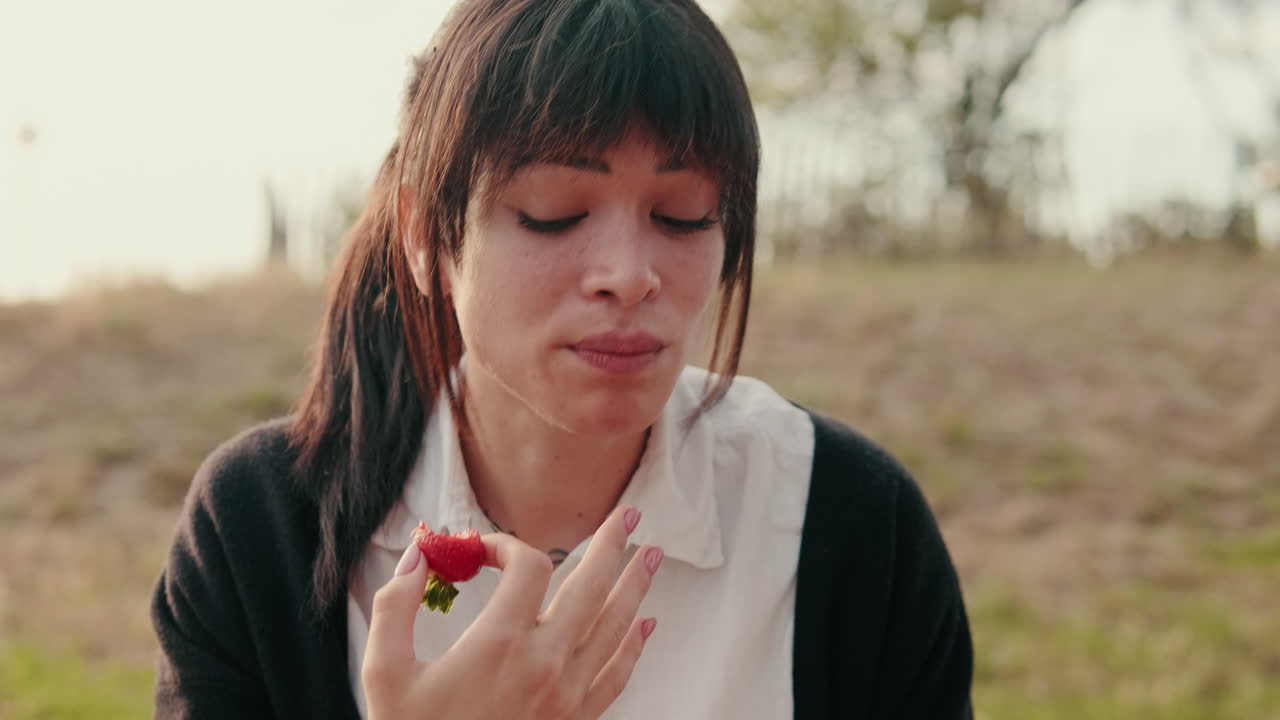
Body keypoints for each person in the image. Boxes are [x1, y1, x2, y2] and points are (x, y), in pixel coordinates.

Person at [150, 0, 974, 717]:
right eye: (553, 213)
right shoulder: (260, 531)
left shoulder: (849, 523)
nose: (629, 275)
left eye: (682, 214)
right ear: (425, 233)